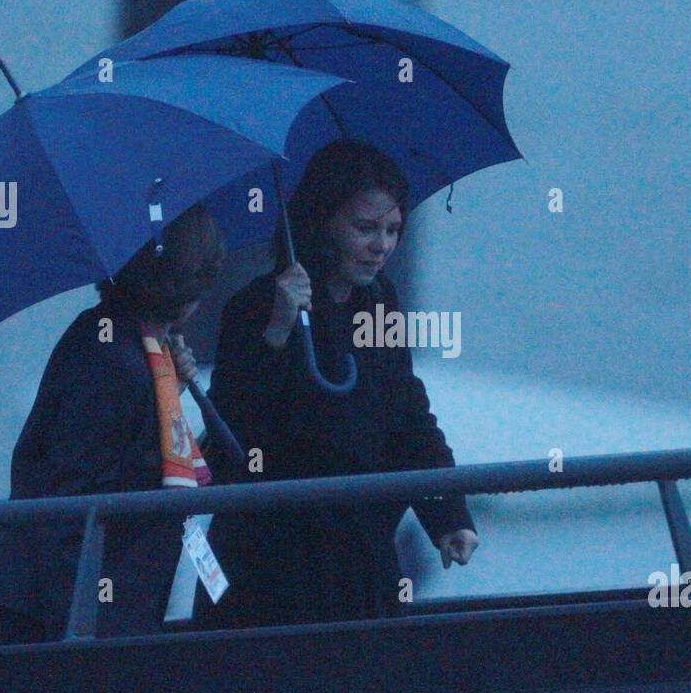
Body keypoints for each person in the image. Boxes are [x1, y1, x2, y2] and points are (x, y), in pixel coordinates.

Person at [193, 139, 479, 630]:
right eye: (365, 229)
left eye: (393, 229)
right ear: (323, 224)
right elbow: (230, 433)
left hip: (360, 559)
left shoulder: (381, 301)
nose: (382, 246)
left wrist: (447, 513)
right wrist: (276, 332)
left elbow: (407, 414)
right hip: (268, 564)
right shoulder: (256, 306)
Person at [0, 204, 224, 643]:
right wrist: (79, 633)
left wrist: (170, 391)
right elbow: (71, 499)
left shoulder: (124, 344)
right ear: (186, 294)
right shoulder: (114, 357)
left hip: (69, 607)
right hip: (57, 618)